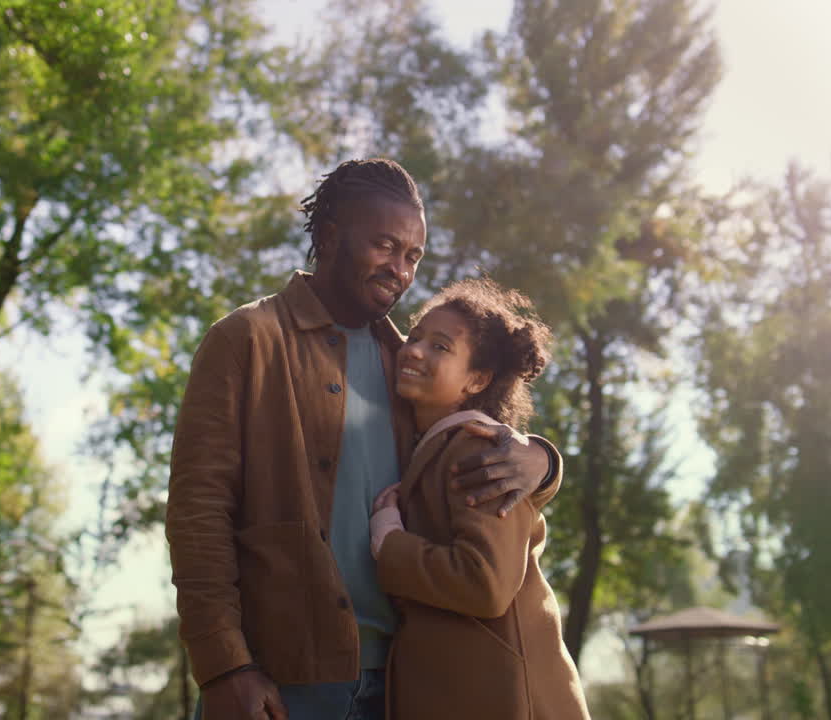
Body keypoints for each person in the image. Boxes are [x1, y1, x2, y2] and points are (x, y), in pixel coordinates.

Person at [167, 158, 565, 720]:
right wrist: (224, 665)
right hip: (282, 681)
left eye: (413, 256)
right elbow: (198, 512)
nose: (400, 269)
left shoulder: (406, 360)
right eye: (385, 246)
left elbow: (476, 453)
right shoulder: (246, 340)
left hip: (405, 683)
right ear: (330, 236)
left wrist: (544, 461)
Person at [368, 278, 590, 719]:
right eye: (414, 338)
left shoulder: (479, 449)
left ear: (477, 379)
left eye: (440, 347)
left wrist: (388, 541)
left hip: (504, 701)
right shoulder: (432, 447)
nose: (413, 351)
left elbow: (484, 584)